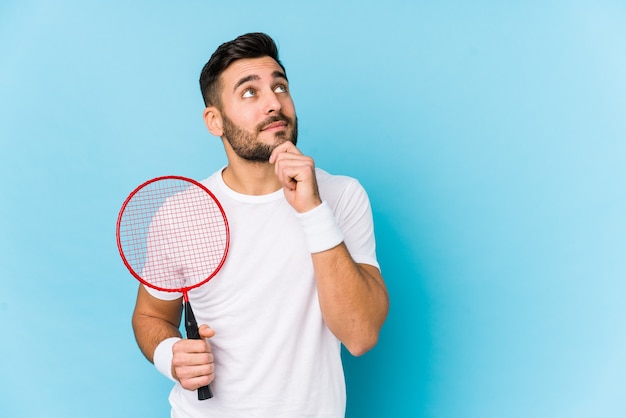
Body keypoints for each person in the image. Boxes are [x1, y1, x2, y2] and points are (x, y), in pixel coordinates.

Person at [131, 32, 389, 417]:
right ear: (214, 121)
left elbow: (360, 334)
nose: (273, 103)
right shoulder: (182, 212)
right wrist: (170, 354)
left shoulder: (341, 196)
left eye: (280, 86)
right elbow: (151, 315)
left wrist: (312, 209)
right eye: (249, 92)